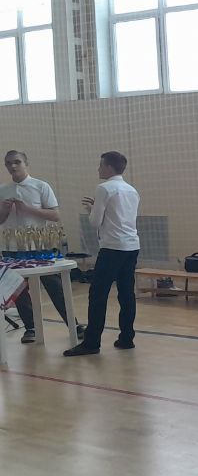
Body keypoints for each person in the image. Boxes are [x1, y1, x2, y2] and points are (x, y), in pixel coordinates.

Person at [0, 150, 83, 344]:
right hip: (12, 248)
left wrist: (27, 209)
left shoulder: (40, 186)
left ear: (26, 163)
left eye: (17, 162)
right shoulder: (3, 190)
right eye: (8, 163)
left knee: (55, 286)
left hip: (39, 247)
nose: (13, 166)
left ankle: (73, 324)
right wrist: (4, 209)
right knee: (18, 290)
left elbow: (55, 215)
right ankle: (31, 328)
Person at [64, 152, 141, 357]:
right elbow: (119, 217)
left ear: (108, 167)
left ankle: (91, 343)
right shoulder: (132, 190)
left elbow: (95, 222)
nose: (98, 169)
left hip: (112, 248)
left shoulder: (104, 188)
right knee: (126, 293)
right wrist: (96, 207)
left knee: (98, 294)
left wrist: (91, 209)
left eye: (100, 165)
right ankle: (127, 338)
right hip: (131, 246)